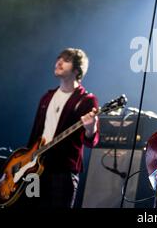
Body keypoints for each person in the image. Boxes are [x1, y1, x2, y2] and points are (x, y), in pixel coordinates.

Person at [23, 48, 99, 208]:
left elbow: (91, 141)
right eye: (59, 58)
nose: (59, 62)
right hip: (34, 170)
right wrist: (22, 164)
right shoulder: (47, 97)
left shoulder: (86, 100)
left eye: (66, 60)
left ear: (77, 70)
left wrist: (90, 128)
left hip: (62, 173)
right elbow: (34, 135)